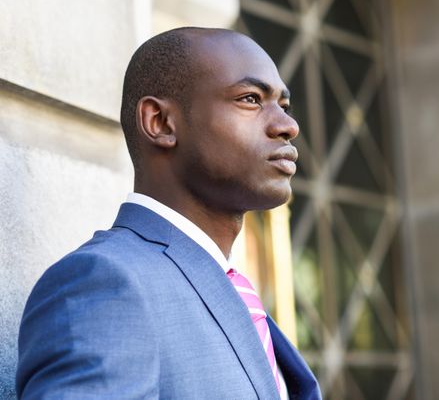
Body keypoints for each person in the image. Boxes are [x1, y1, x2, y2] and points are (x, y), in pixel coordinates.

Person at [15, 27, 321, 399]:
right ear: (159, 122)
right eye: (251, 99)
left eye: (284, 106)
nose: (287, 126)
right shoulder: (107, 284)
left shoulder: (227, 288)